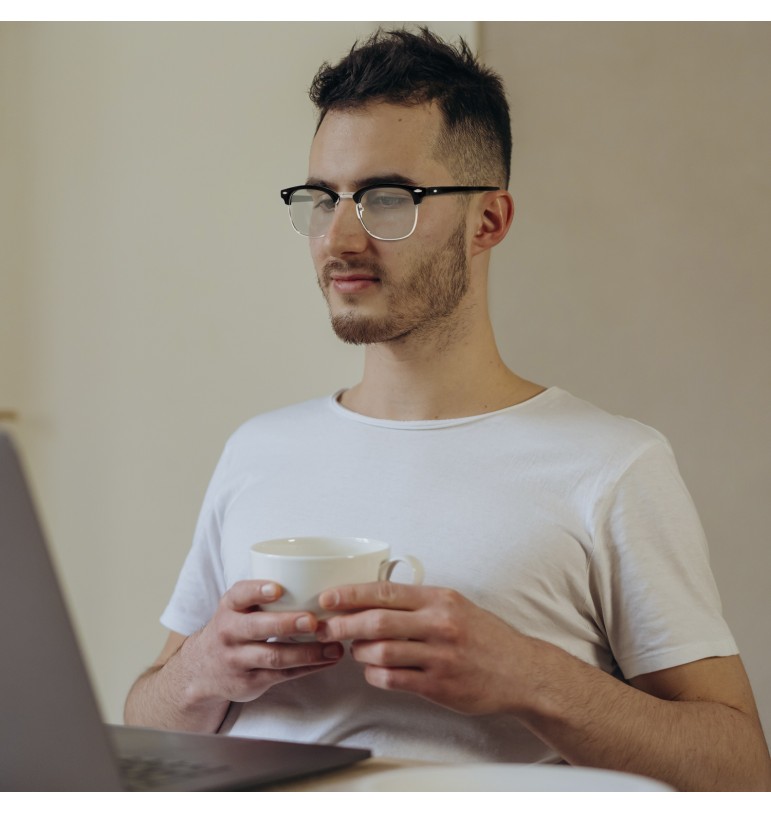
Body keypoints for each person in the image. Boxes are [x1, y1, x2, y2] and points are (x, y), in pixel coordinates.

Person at [124, 28, 771, 791]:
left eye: (386, 199)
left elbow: (739, 774)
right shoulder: (257, 450)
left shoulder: (611, 466)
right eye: (322, 199)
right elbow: (144, 719)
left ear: (488, 222)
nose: (338, 236)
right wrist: (202, 671)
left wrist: (531, 677)